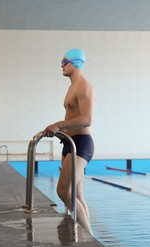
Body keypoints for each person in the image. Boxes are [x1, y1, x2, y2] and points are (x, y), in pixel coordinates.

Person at [43, 48, 95, 235]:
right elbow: (73, 117)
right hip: (69, 143)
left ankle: (89, 236)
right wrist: (61, 130)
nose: (62, 65)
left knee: (63, 191)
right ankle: (86, 236)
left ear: (75, 63)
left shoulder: (84, 86)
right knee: (77, 194)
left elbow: (87, 119)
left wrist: (59, 124)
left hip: (80, 144)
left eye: (65, 62)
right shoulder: (72, 87)